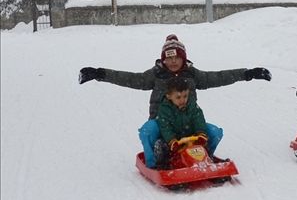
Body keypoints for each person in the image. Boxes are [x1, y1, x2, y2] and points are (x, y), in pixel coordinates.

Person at [79, 34, 271, 168]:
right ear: (163, 60)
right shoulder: (156, 75)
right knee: (147, 131)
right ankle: (156, 164)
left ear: (183, 58)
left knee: (213, 131)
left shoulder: (192, 75)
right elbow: (130, 78)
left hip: (187, 122)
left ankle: (204, 157)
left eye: (176, 58)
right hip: (161, 122)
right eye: (168, 59)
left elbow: (219, 76)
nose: (172, 62)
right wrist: (100, 73)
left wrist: (247, 74)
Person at [154, 76, 209, 166]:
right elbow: (165, 127)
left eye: (185, 96)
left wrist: (201, 133)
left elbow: (198, 119)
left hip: (190, 137)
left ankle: (206, 159)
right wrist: (171, 140)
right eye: (178, 97)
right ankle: (163, 164)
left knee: (207, 139)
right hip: (174, 141)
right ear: (169, 96)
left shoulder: (192, 105)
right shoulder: (164, 109)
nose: (183, 100)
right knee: (160, 145)